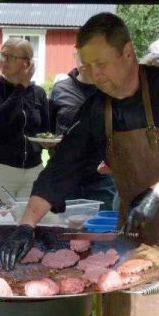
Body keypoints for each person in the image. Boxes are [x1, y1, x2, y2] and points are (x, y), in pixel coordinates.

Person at [2, 12, 159, 316]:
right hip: (136, 237)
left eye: (101, 63)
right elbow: (62, 169)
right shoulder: (97, 109)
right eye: (87, 66)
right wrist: (27, 224)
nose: (95, 74)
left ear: (129, 53)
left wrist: (158, 193)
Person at [0, 38, 49, 200]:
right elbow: (1, 118)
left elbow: (45, 131)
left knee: (36, 223)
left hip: (33, 170)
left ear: (27, 63)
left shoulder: (38, 93)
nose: (4, 60)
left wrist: (46, 142)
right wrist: (21, 87)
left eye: (12, 57)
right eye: (2, 55)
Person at [49, 52, 118, 210]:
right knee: (63, 231)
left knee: (100, 231)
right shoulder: (60, 89)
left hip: (102, 180)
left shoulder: (112, 91)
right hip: (65, 178)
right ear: (75, 55)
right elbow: (49, 130)